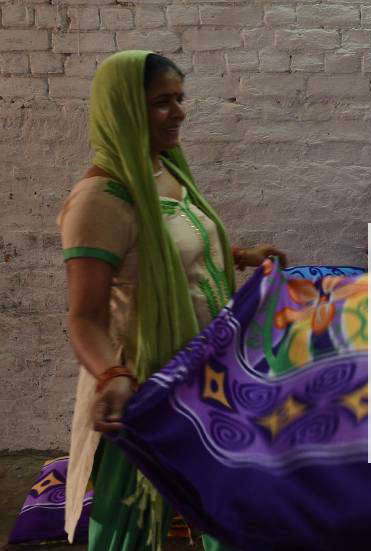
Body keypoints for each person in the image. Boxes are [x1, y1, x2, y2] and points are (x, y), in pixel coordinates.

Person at [59, 50, 286, 550]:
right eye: (162, 102)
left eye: (179, 99)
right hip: (145, 386)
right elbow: (84, 317)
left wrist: (243, 255)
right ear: (123, 109)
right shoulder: (99, 201)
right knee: (131, 524)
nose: (179, 113)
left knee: (227, 508)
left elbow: (172, 247)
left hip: (205, 375)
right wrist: (115, 380)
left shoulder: (165, 173)